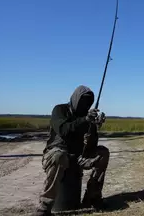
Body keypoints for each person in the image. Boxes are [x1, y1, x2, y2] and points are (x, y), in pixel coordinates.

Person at [34, 85, 108, 216]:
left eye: (88, 103)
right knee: (59, 156)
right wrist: (84, 120)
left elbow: (91, 146)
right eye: (82, 102)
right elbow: (63, 130)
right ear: (75, 99)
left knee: (103, 153)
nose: (85, 106)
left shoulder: (88, 117)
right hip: (56, 153)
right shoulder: (59, 110)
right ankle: (44, 207)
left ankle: (92, 198)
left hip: (79, 156)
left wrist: (94, 127)